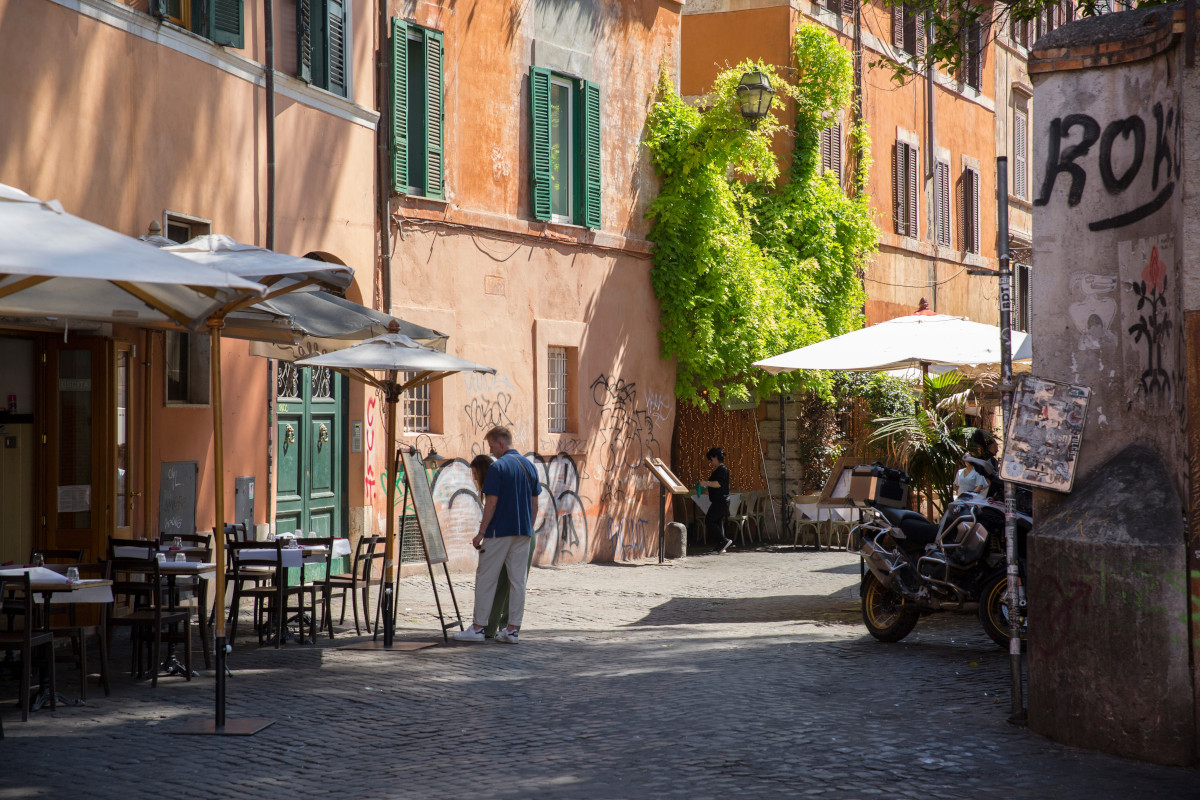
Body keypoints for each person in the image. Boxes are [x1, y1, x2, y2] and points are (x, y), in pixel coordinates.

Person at [453, 426, 541, 644]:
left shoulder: (498, 468)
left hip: (499, 531)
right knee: (517, 582)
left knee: (486, 579)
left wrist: (481, 532)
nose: (491, 451)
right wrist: (529, 527)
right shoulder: (530, 466)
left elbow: (491, 502)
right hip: (523, 532)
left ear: (501, 443)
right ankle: (512, 631)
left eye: (492, 446)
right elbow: (535, 502)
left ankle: (478, 628)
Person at [698, 446, 733, 554]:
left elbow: (718, 484)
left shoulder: (722, 470)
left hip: (720, 501)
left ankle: (723, 540)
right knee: (718, 522)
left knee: (709, 520)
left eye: (712, 459)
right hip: (721, 500)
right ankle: (720, 546)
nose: (711, 461)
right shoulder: (720, 470)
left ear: (716, 457)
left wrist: (706, 483)